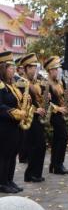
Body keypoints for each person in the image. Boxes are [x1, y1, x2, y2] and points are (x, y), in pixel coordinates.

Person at [0, 51, 26, 193]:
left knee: (12, 154)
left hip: (14, 126)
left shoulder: (11, 85)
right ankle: (2, 183)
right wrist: (15, 113)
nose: (13, 70)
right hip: (4, 127)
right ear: (3, 68)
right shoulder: (0, 85)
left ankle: (9, 180)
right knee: (4, 155)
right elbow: (0, 106)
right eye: (10, 67)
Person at [18, 53, 47, 182]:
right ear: (26, 68)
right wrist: (36, 110)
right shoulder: (21, 83)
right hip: (30, 118)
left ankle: (35, 173)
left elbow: (37, 99)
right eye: (32, 68)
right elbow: (21, 103)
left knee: (40, 146)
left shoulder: (34, 83)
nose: (34, 70)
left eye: (35, 67)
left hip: (37, 118)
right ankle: (30, 174)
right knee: (35, 146)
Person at [45, 56, 68, 175]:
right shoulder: (47, 83)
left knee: (57, 139)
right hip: (53, 115)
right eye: (56, 69)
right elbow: (45, 102)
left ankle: (54, 164)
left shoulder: (59, 82)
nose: (58, 71)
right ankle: (58, 164)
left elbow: (62, 97)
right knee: (63, 137)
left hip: (60, 114)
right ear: (50, 70)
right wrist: (59, 108)